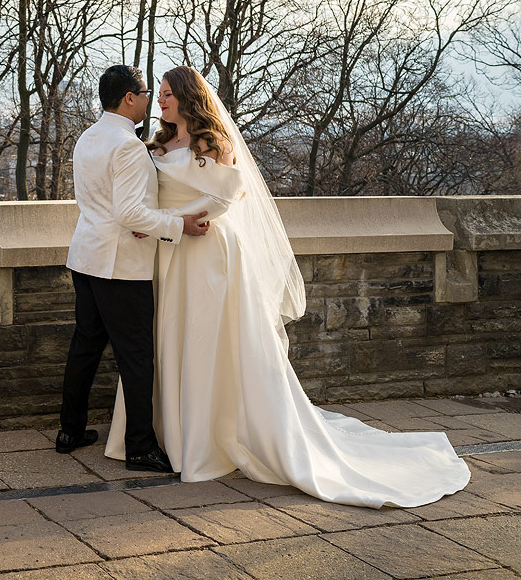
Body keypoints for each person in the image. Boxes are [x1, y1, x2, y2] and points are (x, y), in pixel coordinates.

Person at [105, 65, 470, 507]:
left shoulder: (212, 143)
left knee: (205, 341)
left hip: (206, 250)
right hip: (170, 251)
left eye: (166, 93)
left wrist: (185, 222)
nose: (159, 101)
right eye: (157, 93)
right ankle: (169, 434)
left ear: (187, 96)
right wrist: (162, 225)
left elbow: (226, 197)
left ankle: (207, 440)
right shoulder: (157, 144)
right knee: (168, 339)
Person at [57, 65, 210, 470]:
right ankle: (140, 447)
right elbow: (129, 213)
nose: (150, 100)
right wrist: (178, 225)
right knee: (137, 357)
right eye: (145, 92)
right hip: (119, 265)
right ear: (129, 98)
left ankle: (69, 431)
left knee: (85, 347)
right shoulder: (126, 146)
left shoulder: (89, 137)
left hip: (86, 257)